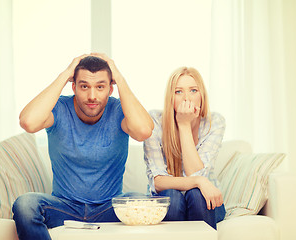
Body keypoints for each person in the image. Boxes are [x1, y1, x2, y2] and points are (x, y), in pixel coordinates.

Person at [12, 53, 154, 240]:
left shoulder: (119, 110)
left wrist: (118, 76)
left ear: (111, 89)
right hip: (63, 207)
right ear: (74, 86)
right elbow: (28, 122)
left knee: (142, 202)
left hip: (109, 208)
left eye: (100, 87)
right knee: (25, 204)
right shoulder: (59, 108)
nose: (92, 96)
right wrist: (64, 74)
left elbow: (143, 131)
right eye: (84, 86)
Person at [143, 66, 226, 229]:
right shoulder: (155, 120)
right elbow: (158, 182)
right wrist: (199, 180)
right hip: (169, 198)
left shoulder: (214, 122)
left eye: (193, 90)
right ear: (170, 97)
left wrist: (184, 125)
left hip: (203, 201)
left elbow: (195, 172)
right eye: (178, 92)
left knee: (196, 195)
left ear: (202, 96)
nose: (186, 98)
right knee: (172, 197)